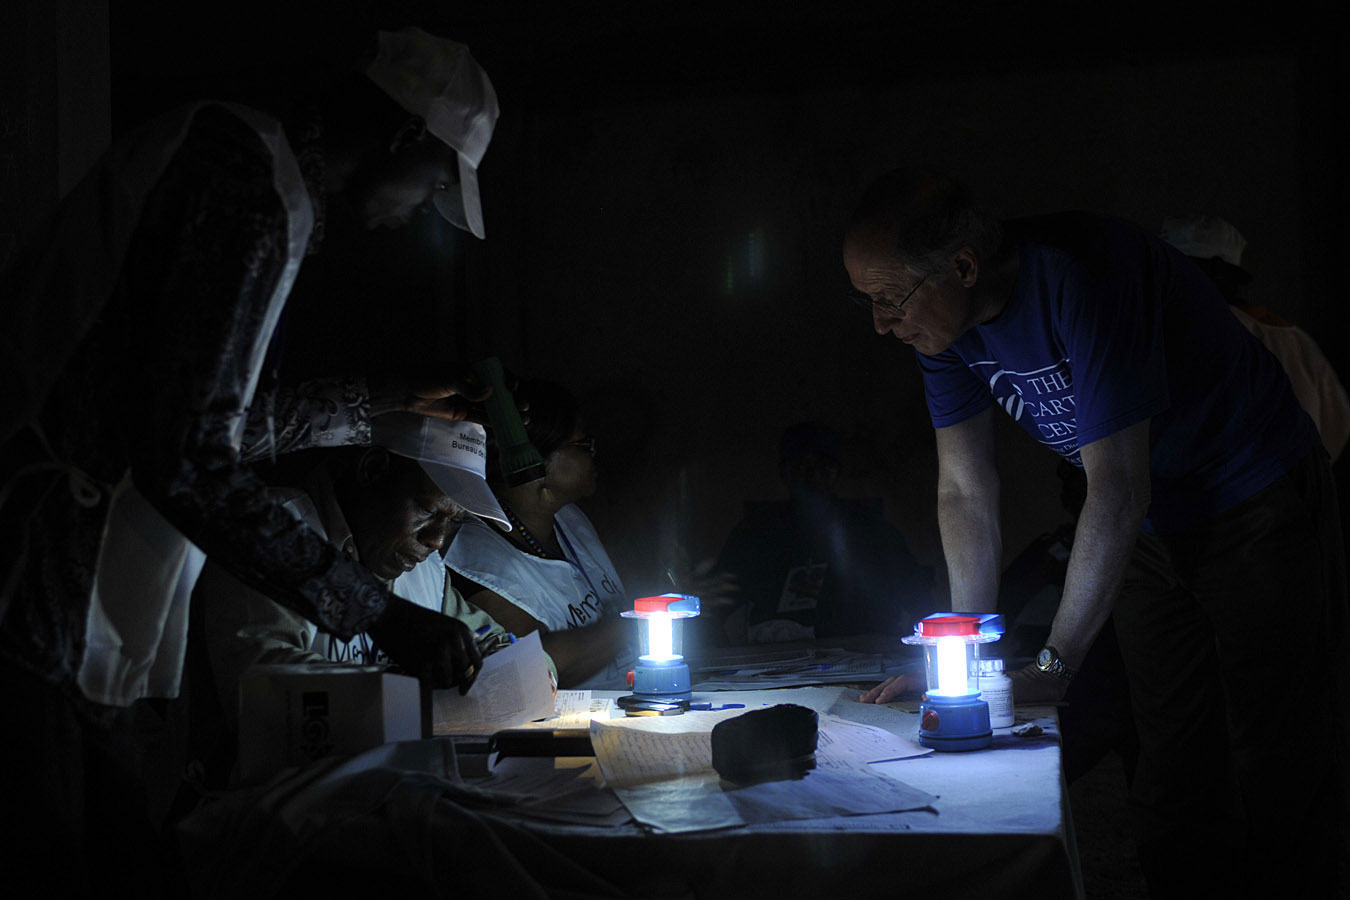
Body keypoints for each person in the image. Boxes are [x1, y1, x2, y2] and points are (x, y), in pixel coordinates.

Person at [0, 27, 499, 894]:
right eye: (430, 190)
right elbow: (190, 459)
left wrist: (374, 399)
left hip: (80, 598)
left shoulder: (253, 175)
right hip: (40, 587)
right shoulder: (243, 182)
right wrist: (376, 612)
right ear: (402, 138)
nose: (418, 213)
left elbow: (194, 422)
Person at [845, 169, 1346, 897]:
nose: (882, 323)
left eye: (890, 298)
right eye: (869, 303)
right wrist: (967, 656)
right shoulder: (943, 335)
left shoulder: (1083, 275)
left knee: (1279, 752)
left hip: (1252, 498)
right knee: (1171, 758)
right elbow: (964, 487)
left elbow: (1115, 485)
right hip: (1146, 523)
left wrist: (1052, 667)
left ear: (962, 265)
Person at [197, 417, 515, 739]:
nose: (436, 540)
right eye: (428, 511)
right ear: (373, 469)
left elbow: (493, 641)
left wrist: (523, 673)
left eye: (452, 522)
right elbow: (260, 684)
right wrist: (411, 696)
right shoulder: (274, 531)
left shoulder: (425, 571)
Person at [447, 380, 635, 689]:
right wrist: (636, 625)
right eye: (583, 445)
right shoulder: (476, 561)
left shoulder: (568, 518)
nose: (594, 455)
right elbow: (533, 666)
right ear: (534, 459)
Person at [716, 421, 931, 644]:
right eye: (799, 466)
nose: (810, 476)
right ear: (784, 473)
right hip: (776, 661)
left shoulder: (871, 530)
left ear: (835, 473)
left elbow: (917, 596)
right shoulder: (755, 533)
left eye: (821, 467)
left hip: (863, 654)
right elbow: (715, 603)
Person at [1160, 214, 1350, 462]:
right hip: (1294, 487)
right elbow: (1337, 423)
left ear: (1213, 271)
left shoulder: (1205, 329)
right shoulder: (1297, 340)